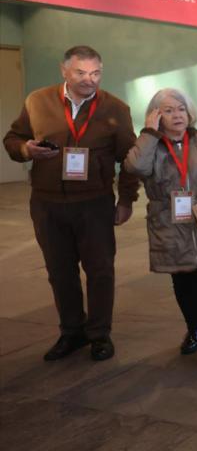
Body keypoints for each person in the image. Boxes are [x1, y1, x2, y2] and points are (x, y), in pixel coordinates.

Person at [3, 45, 140, 362]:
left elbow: (129, 159)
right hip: (47, 204)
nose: (89, 80)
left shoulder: (115, 108)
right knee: (59, 271)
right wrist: (26, 149)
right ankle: (71, 332)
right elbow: (12, 139)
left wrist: (127, 199)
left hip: (95, 203)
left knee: (100, 270)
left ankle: (99, 334)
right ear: (64, 71)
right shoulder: (37, 101)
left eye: (95, 73)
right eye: (81, 72)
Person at [124, 89, 197, 359]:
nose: (177, 115)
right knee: (183, 283)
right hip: (169, 224)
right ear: (155, 116)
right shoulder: (150, 144)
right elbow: (134, 168)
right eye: (169, 110)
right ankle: (193, 329)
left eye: (181, 109)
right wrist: (148, 134)